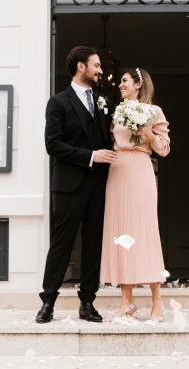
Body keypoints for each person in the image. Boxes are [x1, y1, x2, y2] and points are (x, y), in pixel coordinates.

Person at [36, 46, 117, 324]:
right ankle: (48, 301)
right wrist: (91, 156)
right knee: (62, 243)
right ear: (81, 67)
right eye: (96, 65)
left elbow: (109, 137)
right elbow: (53, 145)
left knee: (93, 244)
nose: (100, 70)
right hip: (69, 186)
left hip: (99, 185)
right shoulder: (58, 102)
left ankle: (88, 302)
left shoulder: (102, 100)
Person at [100, 68, 170, 322]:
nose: (120, 84)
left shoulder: (154, 111)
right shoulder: (117, 112)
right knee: (120, 233)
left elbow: (163, 149)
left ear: (138, 84)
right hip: (117, 171)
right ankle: (126, 301)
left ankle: (157, 303)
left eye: (124, 81)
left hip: (140, 170)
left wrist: (147, 130)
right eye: (120, 81)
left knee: (144, 232)